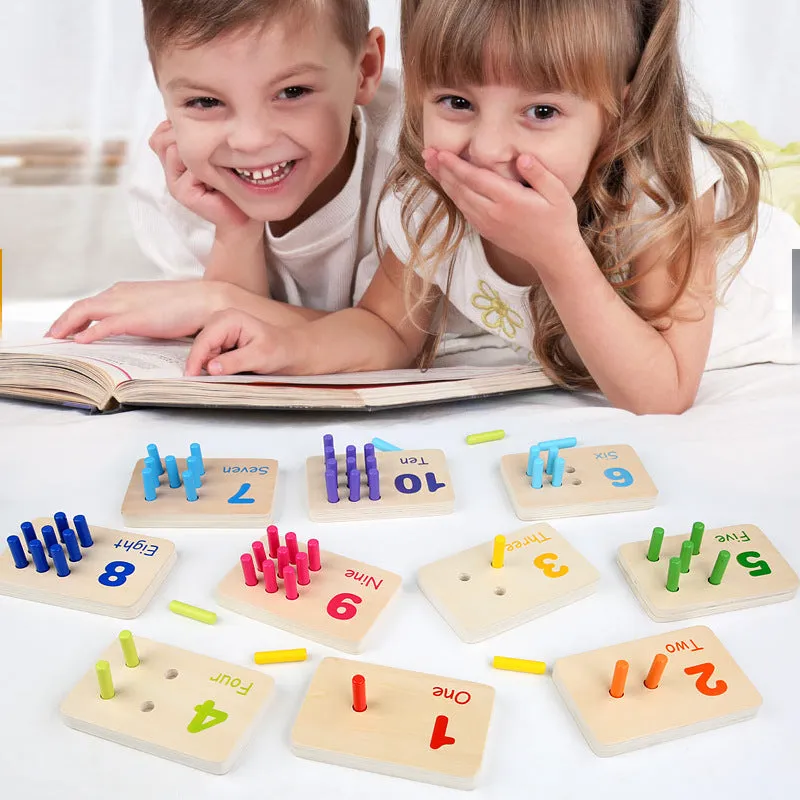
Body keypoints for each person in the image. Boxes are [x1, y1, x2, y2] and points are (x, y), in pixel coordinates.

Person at [47, 0, 398, 342]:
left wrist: (216, 300)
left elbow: (396, 336)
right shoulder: (172, 183)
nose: (250, 141)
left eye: (292, 92)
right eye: (205, 102)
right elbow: (234, 334)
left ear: (364, 69)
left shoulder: (415, 152)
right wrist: (236, 232)